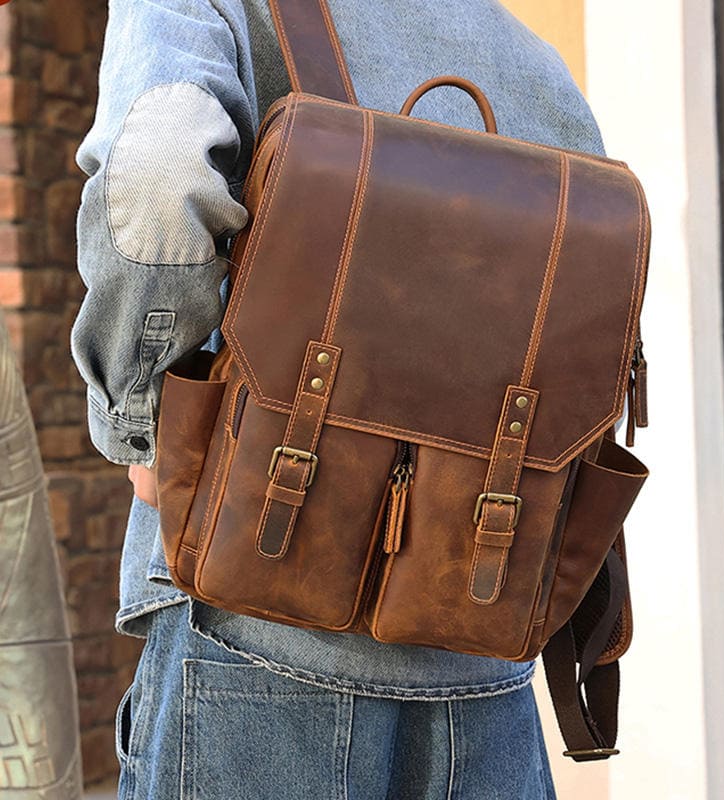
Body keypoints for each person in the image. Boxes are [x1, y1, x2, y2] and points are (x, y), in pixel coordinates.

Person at [71, 1, 604, 797]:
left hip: (258, 602)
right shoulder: (526, 55)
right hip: (482, 619)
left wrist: (142, 419)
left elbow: (157, 173)